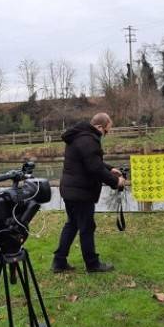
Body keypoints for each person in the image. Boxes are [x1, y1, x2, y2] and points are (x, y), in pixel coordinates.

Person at [51, 113, 126, 273]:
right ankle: (92, 264)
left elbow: (92, 161)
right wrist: (115, 181)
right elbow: (95, 168)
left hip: (70, 190)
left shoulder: (80, 136)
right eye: (106, 131)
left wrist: (110, 168)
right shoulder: (89, 140)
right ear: (99, 127)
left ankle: (59, 262)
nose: (106, 134)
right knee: (86, 227)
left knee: (72, 224)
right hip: (81, 193)